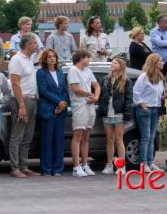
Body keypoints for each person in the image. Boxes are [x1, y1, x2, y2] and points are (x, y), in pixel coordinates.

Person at [8, 33, 41, 178]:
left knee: (27, 136)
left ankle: (24, 165)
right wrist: (21, 105)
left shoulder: (29, 59)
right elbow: (15, 83)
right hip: (22, 100)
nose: (37, 45)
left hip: (32, 99)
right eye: (34, 43)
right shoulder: (17, 59)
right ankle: (15, 168)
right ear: (27, 45)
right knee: (17, 136)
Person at [68, 49, 101, 177]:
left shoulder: (88, 71)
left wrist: (96, 97)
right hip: (79, 106)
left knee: (86, 136)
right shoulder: (73, 70)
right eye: (87, 57)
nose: (89, 60)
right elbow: (75, 89)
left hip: (90, 105)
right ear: (81, 58)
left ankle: (85, 164)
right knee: (78, 136)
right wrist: (89, 94)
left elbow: (96, 85)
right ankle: (76, 167)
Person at [36, 49, 69, 176]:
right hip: (48, 111)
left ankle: (58, 168)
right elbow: (43, 91)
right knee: (47, 141)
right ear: (45, 59)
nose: (52, 59)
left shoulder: (60, 72)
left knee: (59, 141)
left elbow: (65, 90)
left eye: (54, 56)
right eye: (49, 57)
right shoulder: (41, 73)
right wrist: (58, 101)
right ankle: (47, 169)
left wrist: (64, 103)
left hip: (60, 112)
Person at [98, 57, 133, 174]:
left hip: (119, 114)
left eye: (115, 63)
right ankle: (109, 165)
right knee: (109, 139)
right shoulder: (105, 79)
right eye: (112, 63)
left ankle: (121, 166)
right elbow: (102, 96)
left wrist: (127, 115)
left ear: (121, 66)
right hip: (107, 113)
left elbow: (129, 99)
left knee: (119, 139)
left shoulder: (126, 80)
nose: (112, 64)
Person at [133, 53, 165, 173]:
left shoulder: (160, 77)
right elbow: (136, 92)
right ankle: (143, 163)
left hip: (155, 109)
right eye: (160, 61)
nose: (162, 63)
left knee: (152, 138)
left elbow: (158, 93)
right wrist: (141, 104)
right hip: (145, 110)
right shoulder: (144, 76)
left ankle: (150, 162)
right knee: (145, 138)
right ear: (154, 63)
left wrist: (162, 98)